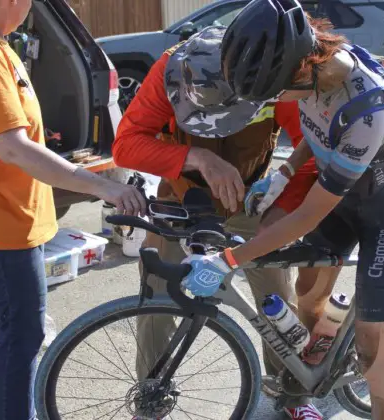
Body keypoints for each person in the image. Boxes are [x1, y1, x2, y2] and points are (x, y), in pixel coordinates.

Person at [180, 1, 384, 419]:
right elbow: (320, 126)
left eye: (277, 92)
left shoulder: (369, 114)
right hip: (340, 192)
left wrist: (228, 260)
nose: (276, 101)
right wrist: (286, 171)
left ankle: (376, 345)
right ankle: (325, 370)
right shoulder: (312, 72)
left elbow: (307, 216)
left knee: (376, 365)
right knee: (308, 297)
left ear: (303, 69)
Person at [0, 1, 145, 418]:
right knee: (25, 330)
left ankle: (4, 399)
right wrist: (102, 185)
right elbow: (11, 146)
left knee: (11, 317)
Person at [112, 25, 326, 420]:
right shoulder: (170, 68)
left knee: (275, 295)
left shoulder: (272, 76)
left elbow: (309, 148)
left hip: (252, 196)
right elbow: (125, 144)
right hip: (181, 197)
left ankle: (292, 394)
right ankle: (151, 397)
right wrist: (198, 159)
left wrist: (277, 217)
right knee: (157, 297)